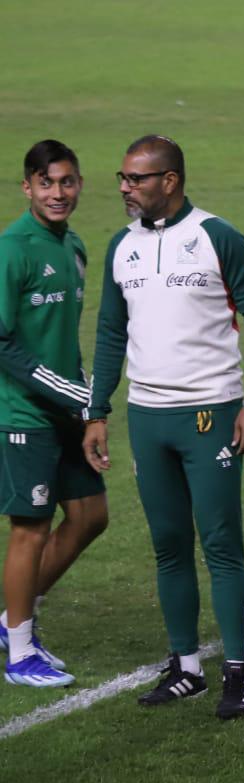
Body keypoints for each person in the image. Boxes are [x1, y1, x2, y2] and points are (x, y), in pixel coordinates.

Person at [85, 135, 244, 717]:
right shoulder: (122, 247)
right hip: (147, 417)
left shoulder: (217, 237)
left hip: (210, 415)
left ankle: (238, 674)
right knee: (168, 547)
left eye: (135, 179)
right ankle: (185, 667)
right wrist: (96, 411)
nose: (124, 187)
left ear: (170, 181)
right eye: (121, 177)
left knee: (221, 547)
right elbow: (110, 334)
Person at [0, 140, 108, 687]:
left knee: (91, 516)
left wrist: (87, 405)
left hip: (65, 408)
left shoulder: (75, 248)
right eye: (47, 183)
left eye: (67, 182)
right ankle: (20, 652)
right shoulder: (12, 248)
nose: (58, 193)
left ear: (80, 184)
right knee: (31, 529)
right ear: (28, 188)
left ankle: (10, 617)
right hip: (23, 414)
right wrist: (67, 392)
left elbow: (65, 340)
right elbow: (1, 340)